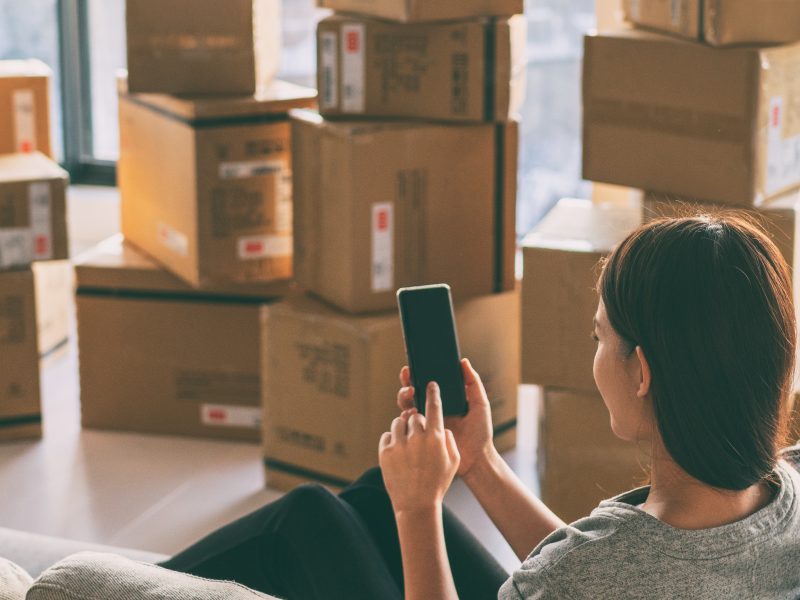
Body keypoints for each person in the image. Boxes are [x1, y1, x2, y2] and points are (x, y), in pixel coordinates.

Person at [161, 214, 800, 599]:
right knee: (368, 500)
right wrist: (480, 463)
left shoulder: (583, 574)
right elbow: (612, 568)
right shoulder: (787, 486)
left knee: (309, 518)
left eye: (599, 336)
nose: (594, 354)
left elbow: (592, 573)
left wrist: (420, 509)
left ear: (642, 373)